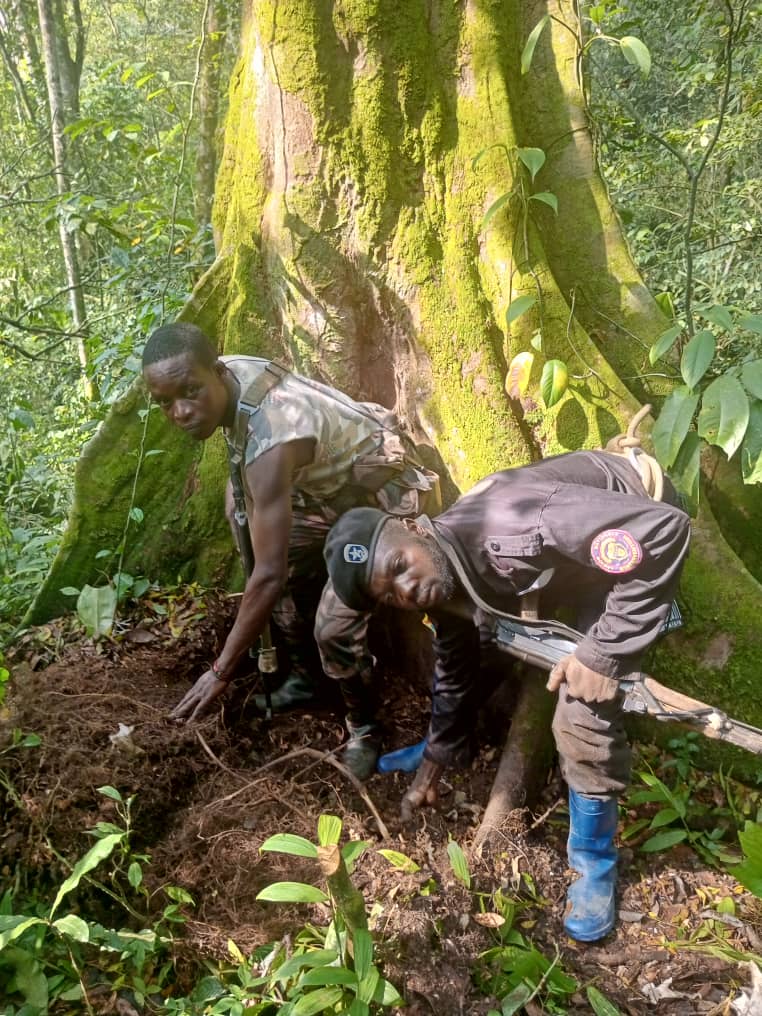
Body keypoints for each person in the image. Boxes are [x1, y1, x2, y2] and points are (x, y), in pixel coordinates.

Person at [322, 448, 691, 942]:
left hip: (631, 527)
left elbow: (664, 531)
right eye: (390, 595)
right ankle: (448, 747)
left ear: (410, 526)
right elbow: (457, 661)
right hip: (566, 559)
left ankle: (593, 861)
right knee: (480, 648)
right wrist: (435, 758)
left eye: (398, 566)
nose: (407, 590)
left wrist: (602, 656)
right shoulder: (443, 565)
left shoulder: (514, 523)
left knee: (579, 713)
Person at [141, 322, 440, 777]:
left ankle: (364, 727)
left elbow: (268, 574)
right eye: (165, 403)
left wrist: (221, 671)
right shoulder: (231, 378)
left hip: (385, 497)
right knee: (254, 538)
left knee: (330, 625)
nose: (180, 411)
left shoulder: (273, 440)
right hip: (329, 492)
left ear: (216, 373)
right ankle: (305, 680)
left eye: (190, 392)